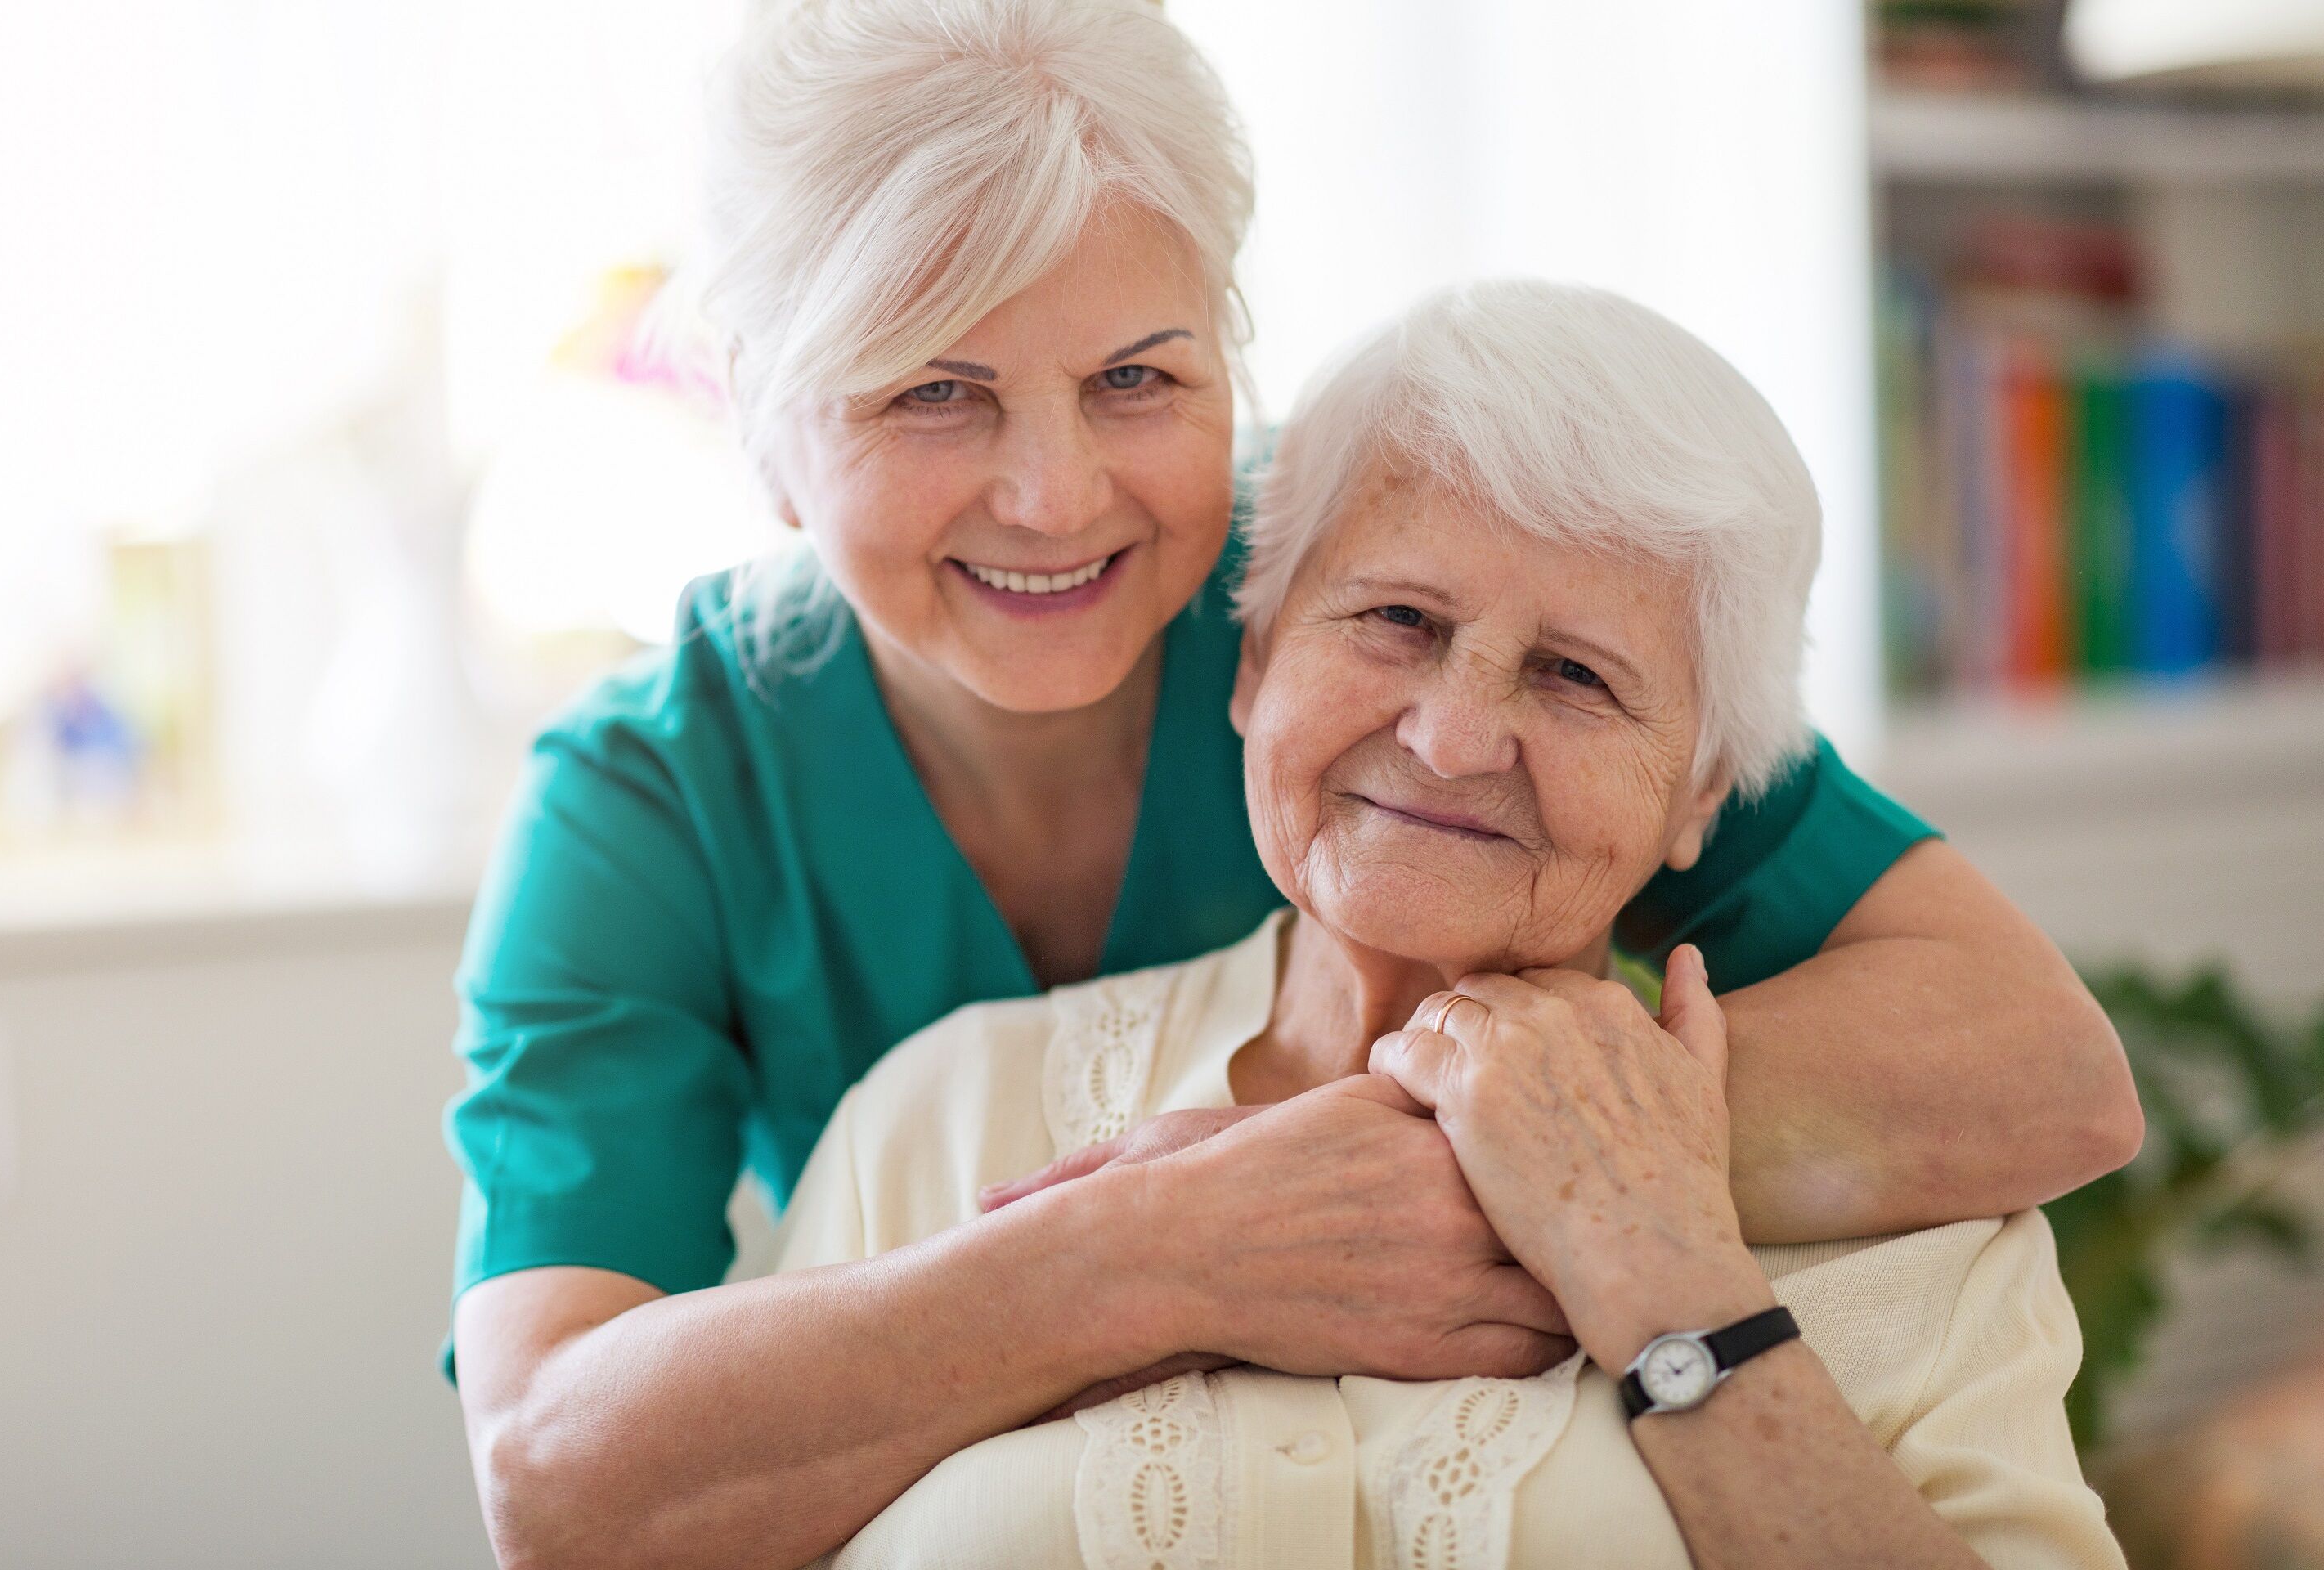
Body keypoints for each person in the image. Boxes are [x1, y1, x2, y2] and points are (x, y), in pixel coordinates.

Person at [446, 3, 2140, 1567]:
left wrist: (1481, 1159)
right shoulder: (655, 805)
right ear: (762, 420)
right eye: (934, 392)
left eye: (1139, 376)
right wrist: (1165, 1248)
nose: (1056, 497)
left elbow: (2040, 1076)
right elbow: (557, 1475)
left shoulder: (1404, 585)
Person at [772, 280, 2128, 1569]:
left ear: (1701, 796)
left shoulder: (1918, 1228)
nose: (1456, 734)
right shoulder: (937, 1121)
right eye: (1399, 620)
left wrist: (1677, 1296)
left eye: (1577, 676)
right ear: (1251, 665)